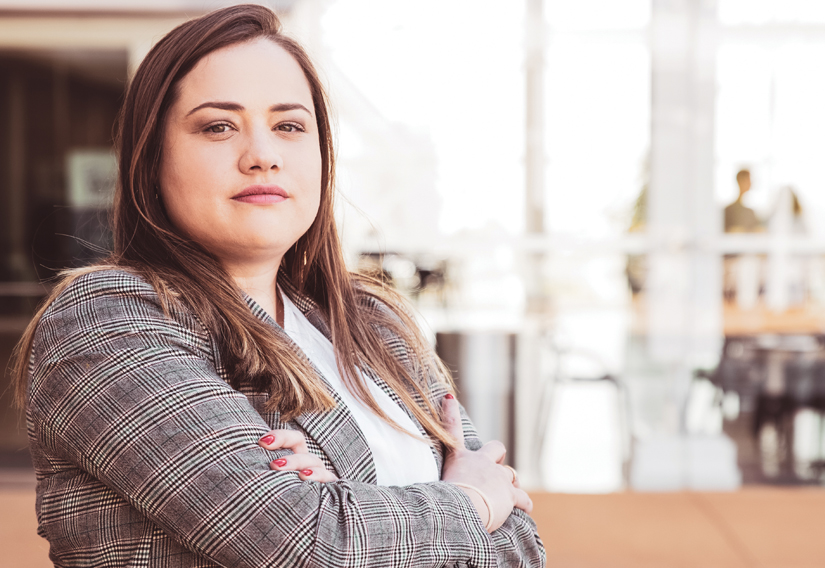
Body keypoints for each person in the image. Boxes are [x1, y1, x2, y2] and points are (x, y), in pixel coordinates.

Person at [11, 5, 545, 567]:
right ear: (151, 158)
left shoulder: (371, 324)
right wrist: (470, 501)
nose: (263, 155)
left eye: (289, 126)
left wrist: (346, 508)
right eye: (218, 126)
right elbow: (305, 543)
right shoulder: (106, 320)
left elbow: (523, 546)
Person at [724, 169, 762, 233]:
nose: (750, 183)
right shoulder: (729, 210)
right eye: (748, 180)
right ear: (740, 181)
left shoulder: (750, 211)